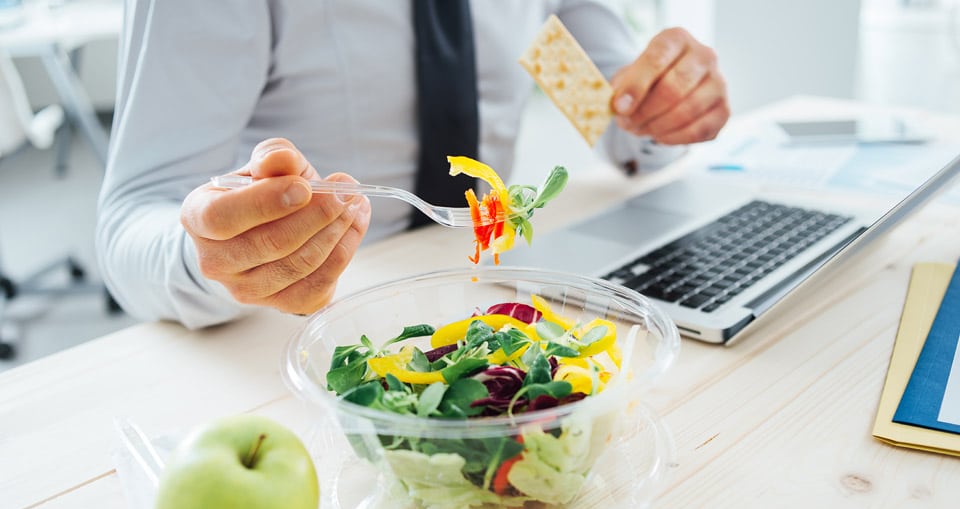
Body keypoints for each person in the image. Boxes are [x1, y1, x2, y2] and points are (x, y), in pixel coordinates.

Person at [97, 1, 730, 330]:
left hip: (493, 297)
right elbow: (132, 221)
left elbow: (618, 120)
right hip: (295, 334)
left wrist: (666, 108)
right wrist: (226, 257)